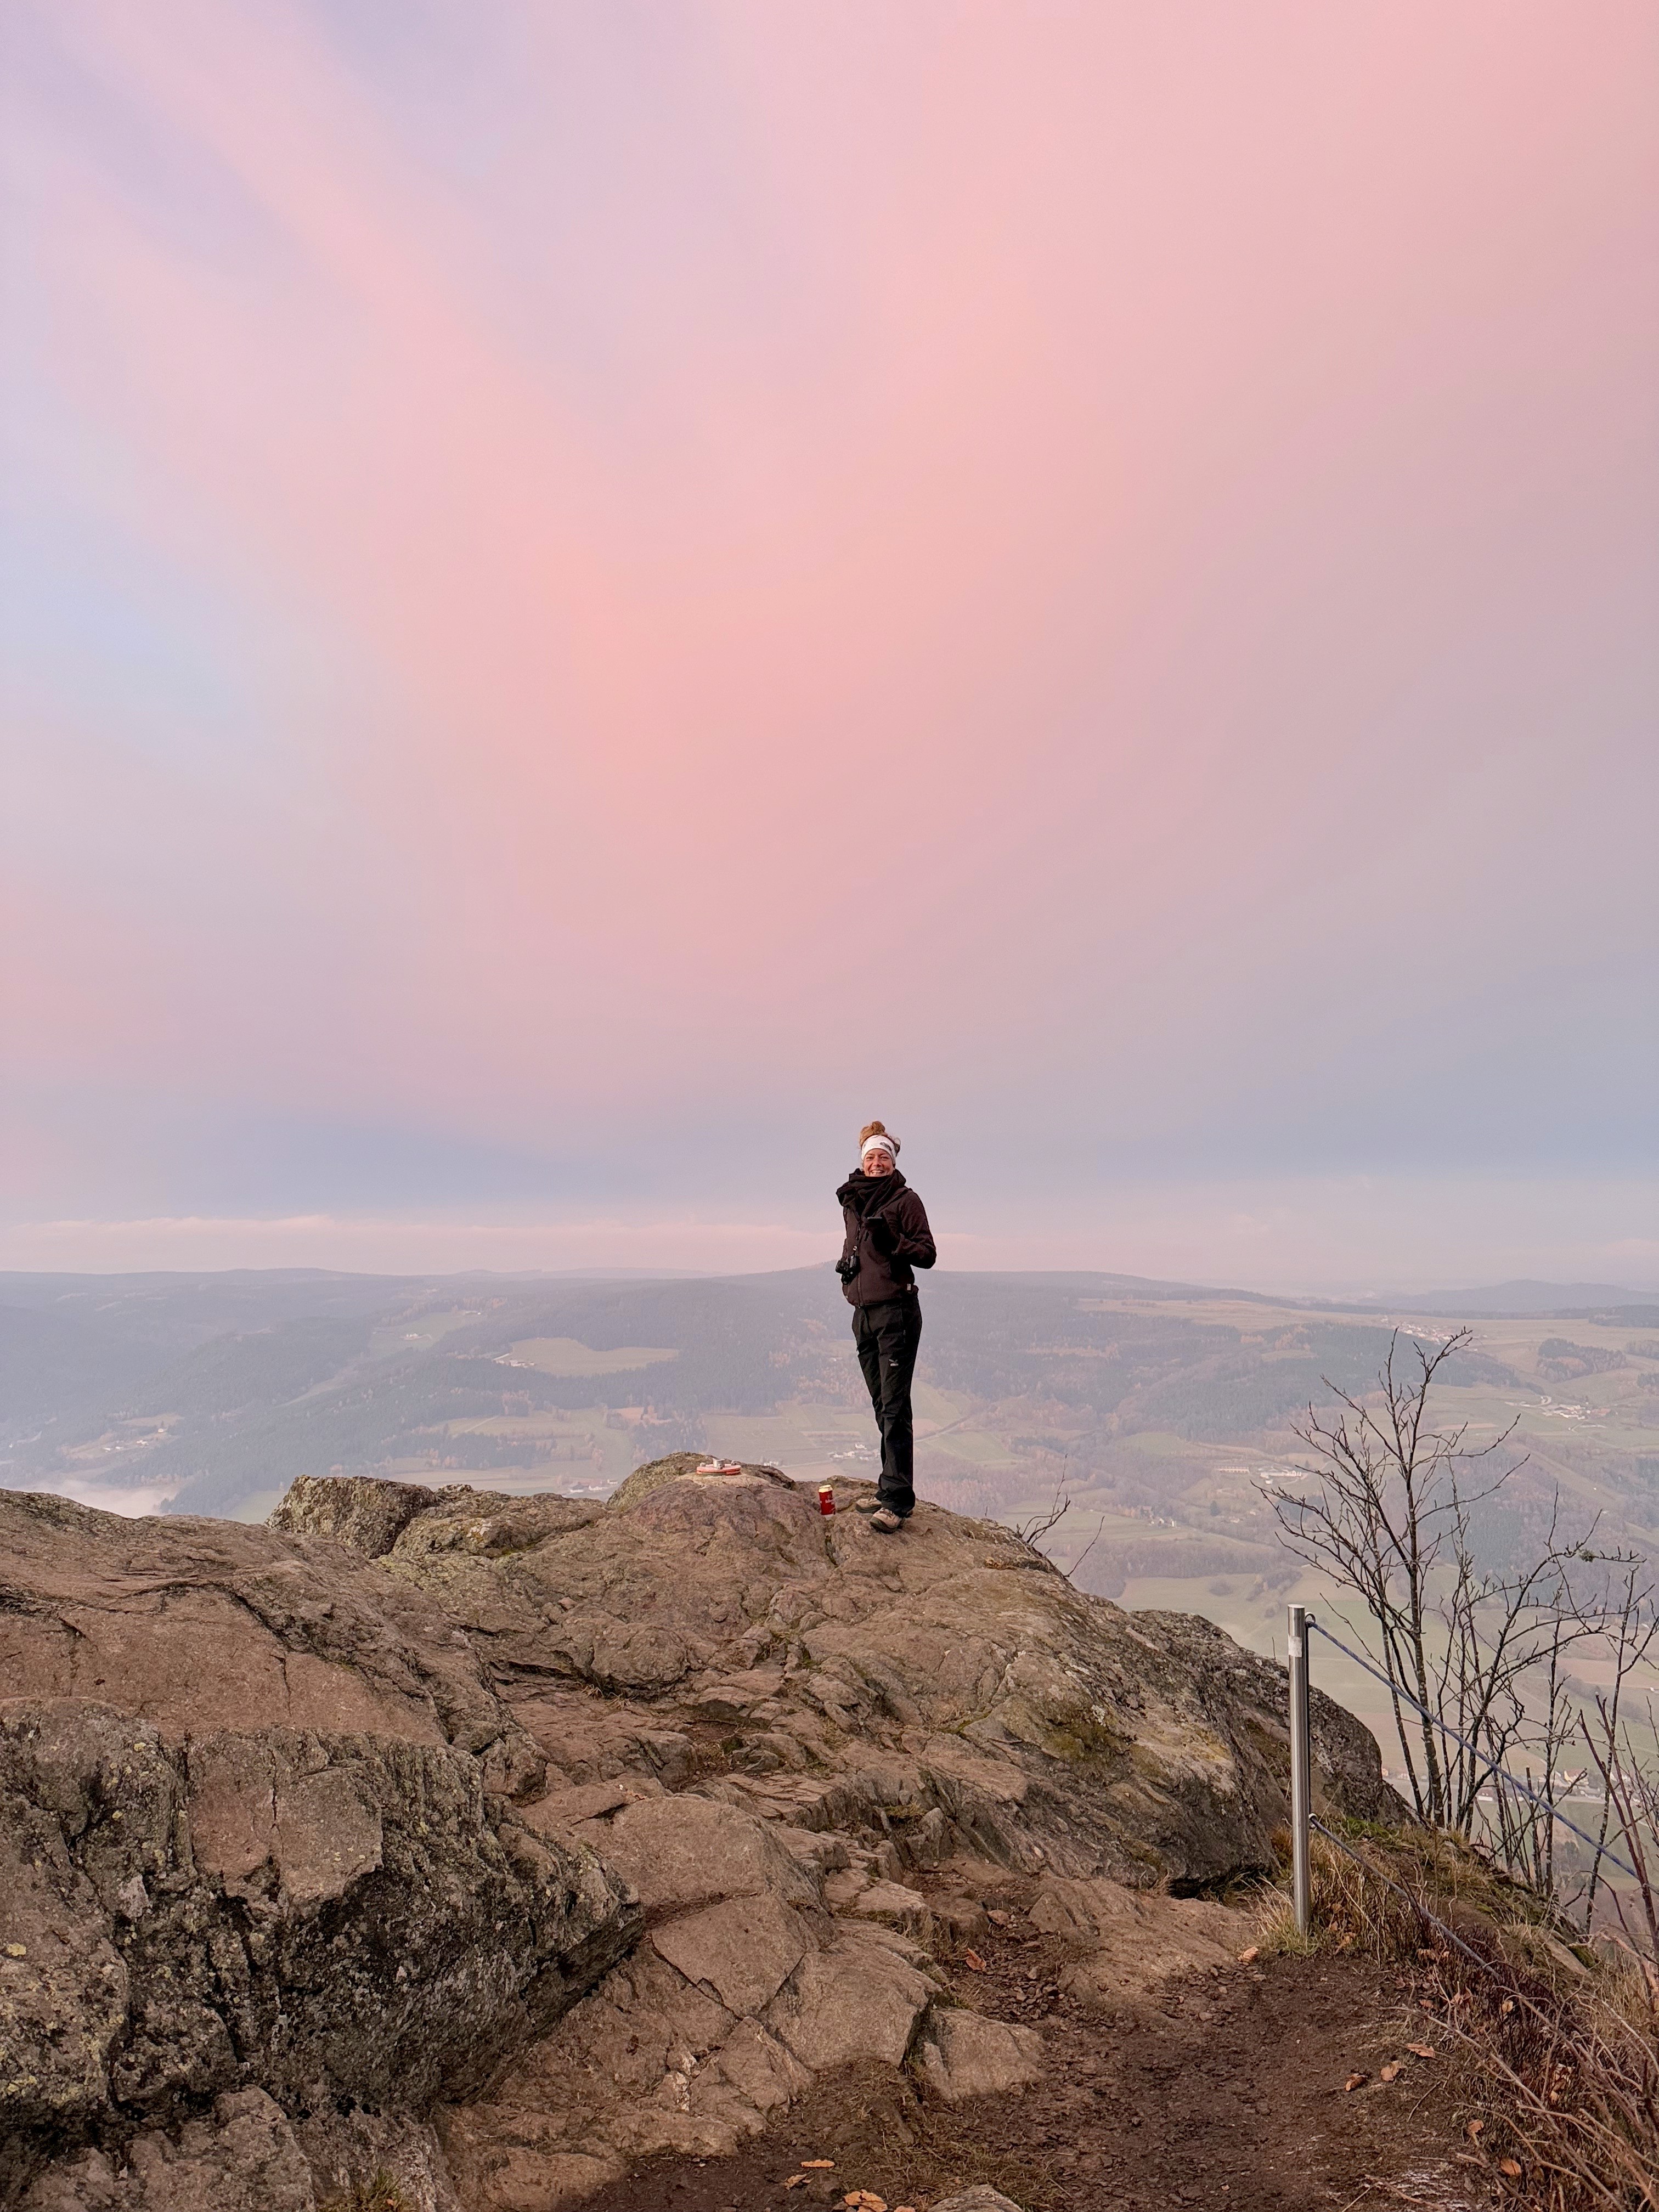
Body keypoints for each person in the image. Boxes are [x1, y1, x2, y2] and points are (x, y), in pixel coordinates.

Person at [835, 1120, 936, 1532]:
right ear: (862, 1161)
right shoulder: (854, 1202)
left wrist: (894, 1239)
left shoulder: (905, 1200)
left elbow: (927, 1254)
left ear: (893, 1162)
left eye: (884, 1157)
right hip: (863, 1314)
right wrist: (846, 1272)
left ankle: (896, 1501)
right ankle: (887, 1488)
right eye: (871, 1157)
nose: (877, 1163)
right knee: (882, 1405)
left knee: (895, 1407)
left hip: (896, 1313)